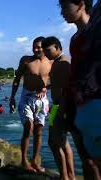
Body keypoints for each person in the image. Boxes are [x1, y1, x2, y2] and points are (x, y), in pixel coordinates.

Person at [58, 0, 100, 179]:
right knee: (85, 156)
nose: (62, 12)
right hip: (68, 104)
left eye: (65, 7)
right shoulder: (75, 38)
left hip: (92, 100)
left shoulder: (96, 31)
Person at [9, 36, 52, 173]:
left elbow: (57, 81)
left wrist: (46, 88)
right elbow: (16, 79)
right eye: (34, 46)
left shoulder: (51, 62)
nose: (36, 49)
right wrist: (12, 98)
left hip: (42, 99)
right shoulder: (26, 60)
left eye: (39, 46)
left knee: (39, 130)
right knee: (28, 127)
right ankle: (24, 160)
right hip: (26, 97)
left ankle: (35, 160)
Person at [42, 36, 76, 180]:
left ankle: (65, 176)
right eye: (45, 51)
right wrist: (46, 87)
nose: (46, 54)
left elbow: (69, 88)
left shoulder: (63, 63)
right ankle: (69, 176)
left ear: (57, 47)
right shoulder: (57, 62)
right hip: (56, 106)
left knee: (54, 141)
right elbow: (59, 83)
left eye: (48, 50)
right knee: (62, 142)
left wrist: (62, 110)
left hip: (60, 107)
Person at [74, 0, 101, 175]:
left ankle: (68, 176)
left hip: (46, 105)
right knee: (55, 139)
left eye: (44, 48)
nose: (41, 51)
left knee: (43, 132)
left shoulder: (61, 61)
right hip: (63, 105)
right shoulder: (27, 62)